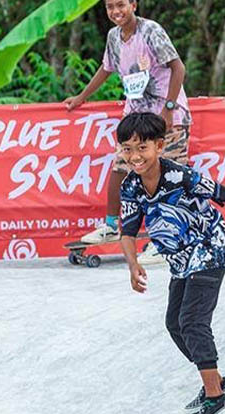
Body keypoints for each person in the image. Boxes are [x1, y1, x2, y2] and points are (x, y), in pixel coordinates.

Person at [116, 113, 225, 414]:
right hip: (181, 262)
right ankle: (214, 381)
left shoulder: (181, 176)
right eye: (127, 149)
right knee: (174, 324)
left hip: (210, 249)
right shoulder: (130, 187)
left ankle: (215, 396)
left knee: (192, 321)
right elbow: (128, 231)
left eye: (142, 148)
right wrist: (133, 264)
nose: (135, 156)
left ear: (159, 146)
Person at [64, 0, 191, 264]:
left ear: (133, 4)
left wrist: (168, 109)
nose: (116, 12)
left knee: (169, 177)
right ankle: (111, 225)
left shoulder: (151, 31)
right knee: (120, 168)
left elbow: (178, 67)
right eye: (110, 7)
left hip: (167, 117)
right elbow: (106, 68)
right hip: (135, 118)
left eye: (121, 5)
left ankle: (167, 237)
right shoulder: (113, 36)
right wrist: (81, 97)